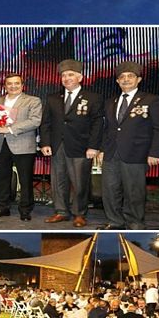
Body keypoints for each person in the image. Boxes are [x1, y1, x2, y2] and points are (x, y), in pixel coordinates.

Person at [98, 61, 159, 230]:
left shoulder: (151, 100)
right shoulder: (110, 102)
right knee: (109, 190)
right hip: (111, 153)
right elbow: (104, 128)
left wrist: (155, 153)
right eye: (122, 77)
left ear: (139, 79)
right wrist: (101, 149)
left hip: (137, 153)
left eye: (130, 76)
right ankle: (115, 221)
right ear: (117, 81)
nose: (126, 79)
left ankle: (135, 221)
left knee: (134, 191)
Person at [41, 59, 103, 228]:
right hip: (57, 146)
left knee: (80, 182)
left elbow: (98, 123)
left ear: (80, 77)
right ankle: (61, 211)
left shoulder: (92, 98)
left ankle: (79, 214)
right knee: (58, 181)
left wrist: (94, 146)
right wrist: (45, 143)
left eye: (70, 75)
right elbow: (46, 122)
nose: (66, 78)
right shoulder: (53, 98)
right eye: (63, 75)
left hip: (81, 147)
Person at [0, 73, 43, 222]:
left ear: (22, 85)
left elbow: (35, 121)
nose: (13, 86)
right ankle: (2, 207)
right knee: (2, 179)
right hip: (1, 144)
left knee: (25, 180)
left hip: (23, 145)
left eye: (16, 83)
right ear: (5, 86)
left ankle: (25, 210)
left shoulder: (32, 101)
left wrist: (10, 129)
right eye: (9, 84)